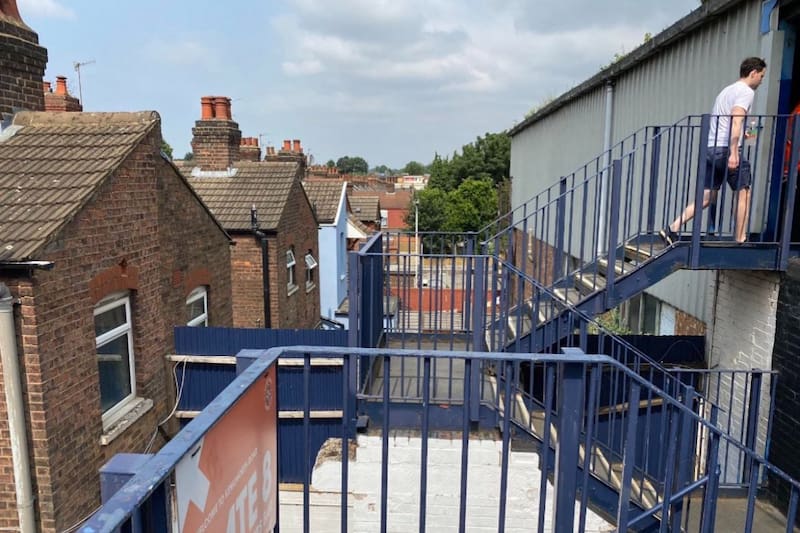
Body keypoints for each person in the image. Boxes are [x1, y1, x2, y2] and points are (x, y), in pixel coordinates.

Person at [661, 57, 767, 245]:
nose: (762, 80)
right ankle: (740, 238)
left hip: (711, 148)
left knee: (707, 197)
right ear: (753, 73)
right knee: (743, 192)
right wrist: (734, 152)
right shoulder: (746, 92)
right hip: (726, 150)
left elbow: (733, 122)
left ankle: (673, 228)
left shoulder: (727, 91)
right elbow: (736, 121)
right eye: (761, 76)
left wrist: (749, 131)